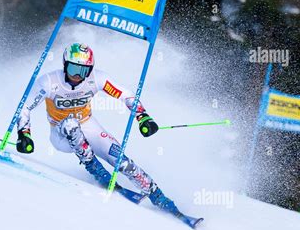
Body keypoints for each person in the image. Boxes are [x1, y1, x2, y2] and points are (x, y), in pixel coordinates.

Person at [16, 43, 179, 213]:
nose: (78, 76)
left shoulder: (96, 79)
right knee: (70, 123)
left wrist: (142, 116)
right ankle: (96, 169)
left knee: (120, 160)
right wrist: (24, 134)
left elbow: (126, 95)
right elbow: (25, 107)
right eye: (73, 69)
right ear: (64, 65)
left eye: (84, 71)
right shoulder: (49, 82)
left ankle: (160, 198)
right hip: (61, 134)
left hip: (87, 124)